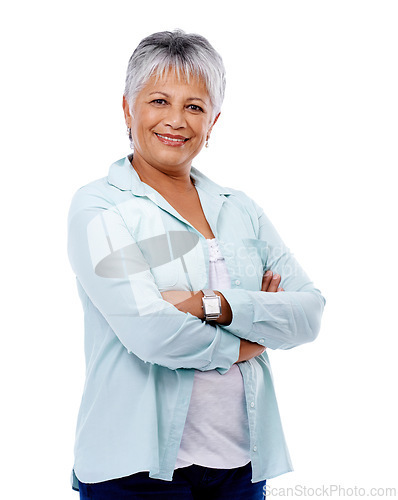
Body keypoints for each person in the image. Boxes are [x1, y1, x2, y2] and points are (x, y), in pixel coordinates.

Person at [67, 29, 325, 500]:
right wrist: (252, 337)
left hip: (240, 469)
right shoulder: (100, 208)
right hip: (133, 475)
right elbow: (151, 332)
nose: (176, 121)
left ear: (214, 121)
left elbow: (308, 313)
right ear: (128, 108)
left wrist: (213, 305)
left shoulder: (241, 208)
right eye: (159, 100)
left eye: (195, 106)